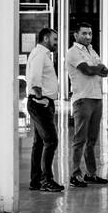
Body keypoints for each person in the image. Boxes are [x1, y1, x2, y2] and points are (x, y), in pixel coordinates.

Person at [65, 21, 108, 187]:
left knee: (92, 140)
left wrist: (96, 68)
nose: (88, 36)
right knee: (80, 139)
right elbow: (87, 70)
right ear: (76, 35)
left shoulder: (92, 50)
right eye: (84, 33)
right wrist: (96, 68)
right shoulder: (73, 52)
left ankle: (91, 174)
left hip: (96, 98)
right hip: (83, 99)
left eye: (90, 33)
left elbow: (104, 71)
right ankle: (75, 175)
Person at [25, 28, 64, 192]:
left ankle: (36, 180)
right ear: (46, 38)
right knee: (51, 140)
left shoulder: (41, 53)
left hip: (40, 102)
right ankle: (46, 179)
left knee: (39, 142)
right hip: (40, 103)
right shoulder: (40, 54)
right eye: (55, 39)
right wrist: (41, 98)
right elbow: (34, 78)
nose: (56, 42)